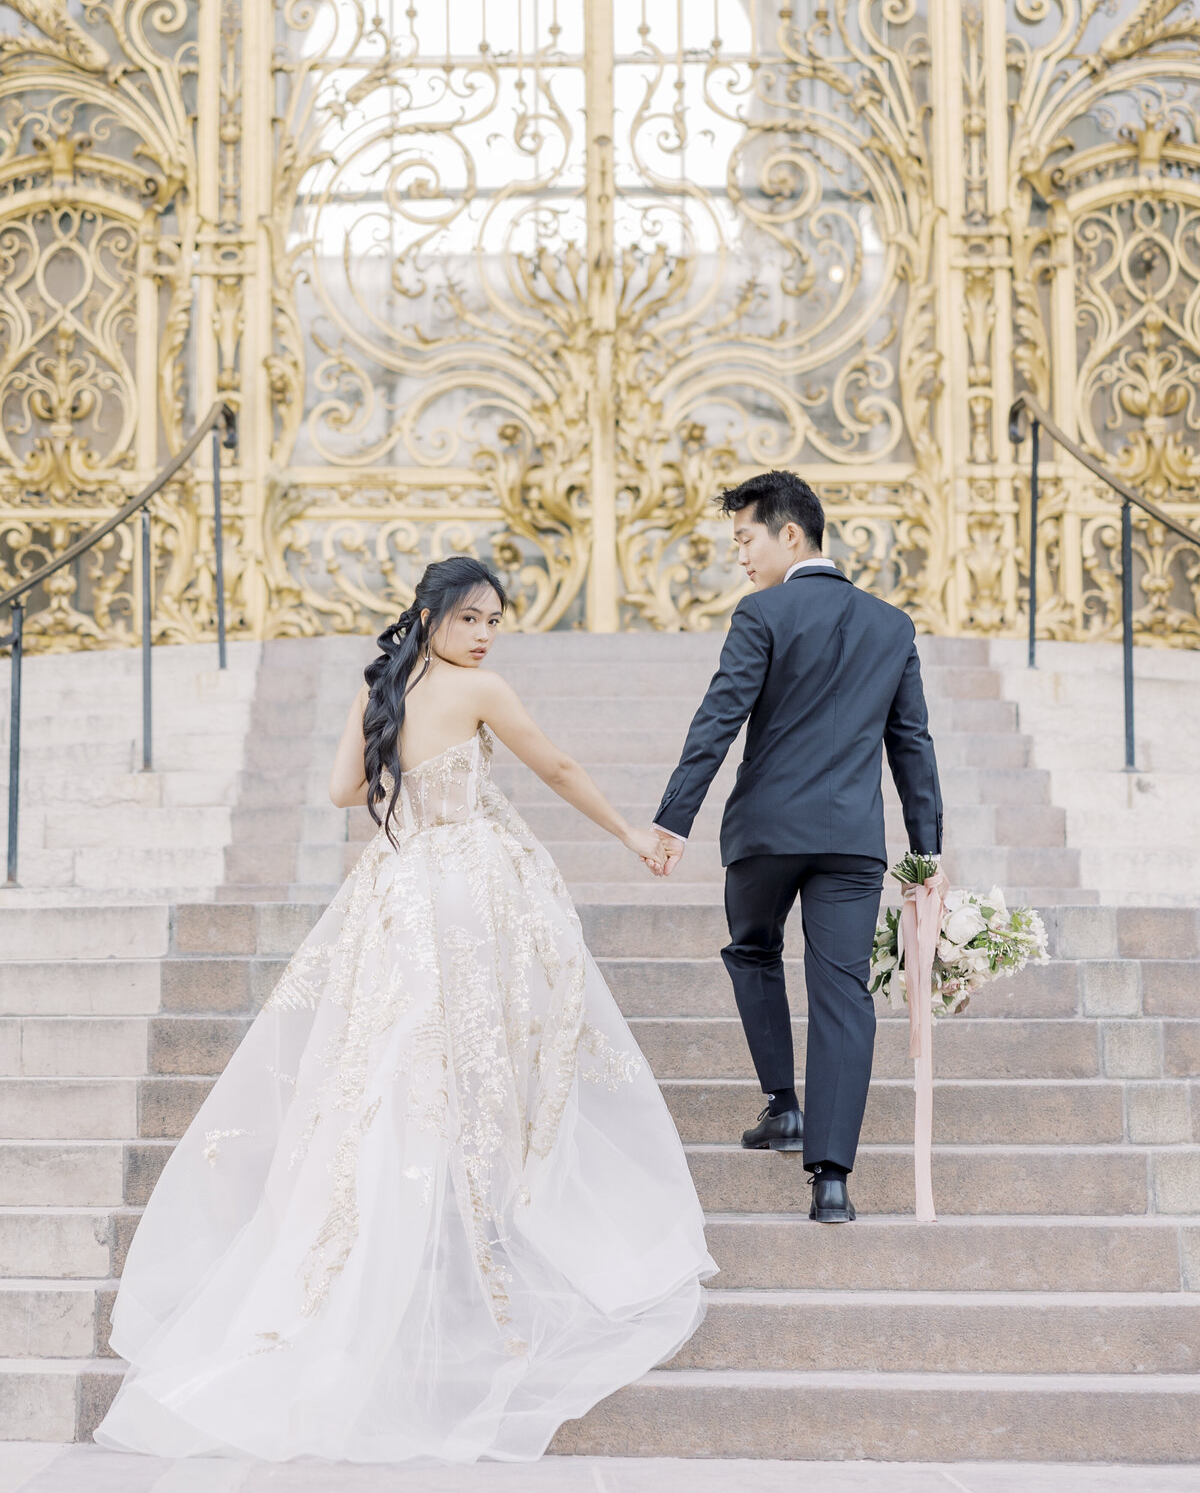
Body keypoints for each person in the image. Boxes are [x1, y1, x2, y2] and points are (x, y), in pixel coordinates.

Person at [98, 556, 715, 1463]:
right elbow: (556, 764)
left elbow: (347, 792)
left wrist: (405, 767)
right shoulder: (481, 691)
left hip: (397, 888)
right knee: (450, 1062)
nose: (484, 635)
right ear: (429, 614)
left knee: (395, 1066)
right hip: (464, 887)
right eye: (470, 619)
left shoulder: (381, 685)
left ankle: (415, 1238)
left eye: (494, 622)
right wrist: (629, 832)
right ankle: (467, 1230)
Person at [653, 471, 946, 1223]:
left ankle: (782, 1105)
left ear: (791, 534)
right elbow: (912, 745)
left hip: (765, 834)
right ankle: (832, 1183)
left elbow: (717, 720)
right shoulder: (892, 625)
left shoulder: (763, 613)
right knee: (843, 993)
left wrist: (673, 820)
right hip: (853, 841)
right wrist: (926, 852)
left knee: (752, 949)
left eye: (745, 539)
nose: (740, 558)